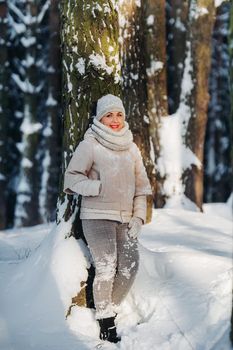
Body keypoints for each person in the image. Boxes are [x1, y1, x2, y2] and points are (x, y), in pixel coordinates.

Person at [63, 94, 152, 343]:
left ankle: (107, 307)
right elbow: (71, 179)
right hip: (97, 215)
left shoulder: (131, 147)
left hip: (126, 219)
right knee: (106, 266)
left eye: (119, 114)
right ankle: (106, 322)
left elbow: (143, 187)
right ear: (100, 118)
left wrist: (138, 218)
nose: (115, 120)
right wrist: (97, 187)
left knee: (130, 266)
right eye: (109, 115)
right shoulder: (90, 144)